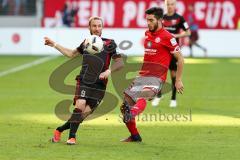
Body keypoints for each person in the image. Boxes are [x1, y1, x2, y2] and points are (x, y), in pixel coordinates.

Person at [44, 16, 124, 145]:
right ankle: (72, 137)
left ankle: (59, 130)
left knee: (82, 115)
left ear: (102, 27)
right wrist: (54, 44)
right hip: (84, 80)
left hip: (100, 85)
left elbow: (120, 63)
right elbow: (71, 54)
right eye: (94, 26)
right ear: (89, 28)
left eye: (99, 26)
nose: (97, 28)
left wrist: (108, 71)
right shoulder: (86, 43)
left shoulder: (110, 43)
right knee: (80, 105)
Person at [120, 7, 184, 142]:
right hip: (142, 76)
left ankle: (132, 113)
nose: (148, 23)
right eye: (147, 20)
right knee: (124, 106)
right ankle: (135, 136)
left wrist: (178, 80)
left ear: (160, 20)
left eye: (151, 20)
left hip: (157, 77)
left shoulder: (168, 37)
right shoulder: (147, 33)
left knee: (144, 96)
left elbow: (180, 59)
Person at [151, 0, 190, 108]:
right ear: (165, 5)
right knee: (159, 76)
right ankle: (158, 96)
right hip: (162, 52)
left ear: (175, 5)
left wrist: (176, 36)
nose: (170, 6)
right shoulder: (161, 18)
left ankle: (173, 99)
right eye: (168, 4)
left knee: (173, 75)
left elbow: (188, 32)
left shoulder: (179, 18)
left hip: (173, 52)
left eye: (172, 4)